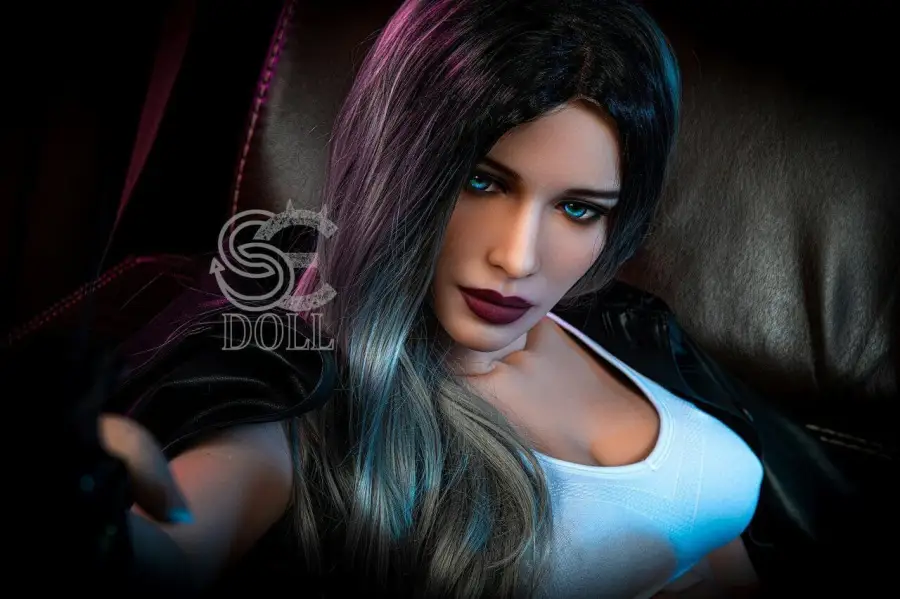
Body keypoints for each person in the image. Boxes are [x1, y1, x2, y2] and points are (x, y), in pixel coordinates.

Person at [88, 0, 765, 597]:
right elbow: (176, 546)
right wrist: (88, 509)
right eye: (482, 182)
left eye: (578, 208)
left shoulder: (631, 327)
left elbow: (713, 529)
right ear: (399, 167)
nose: (518, 258)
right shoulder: (302, 398)